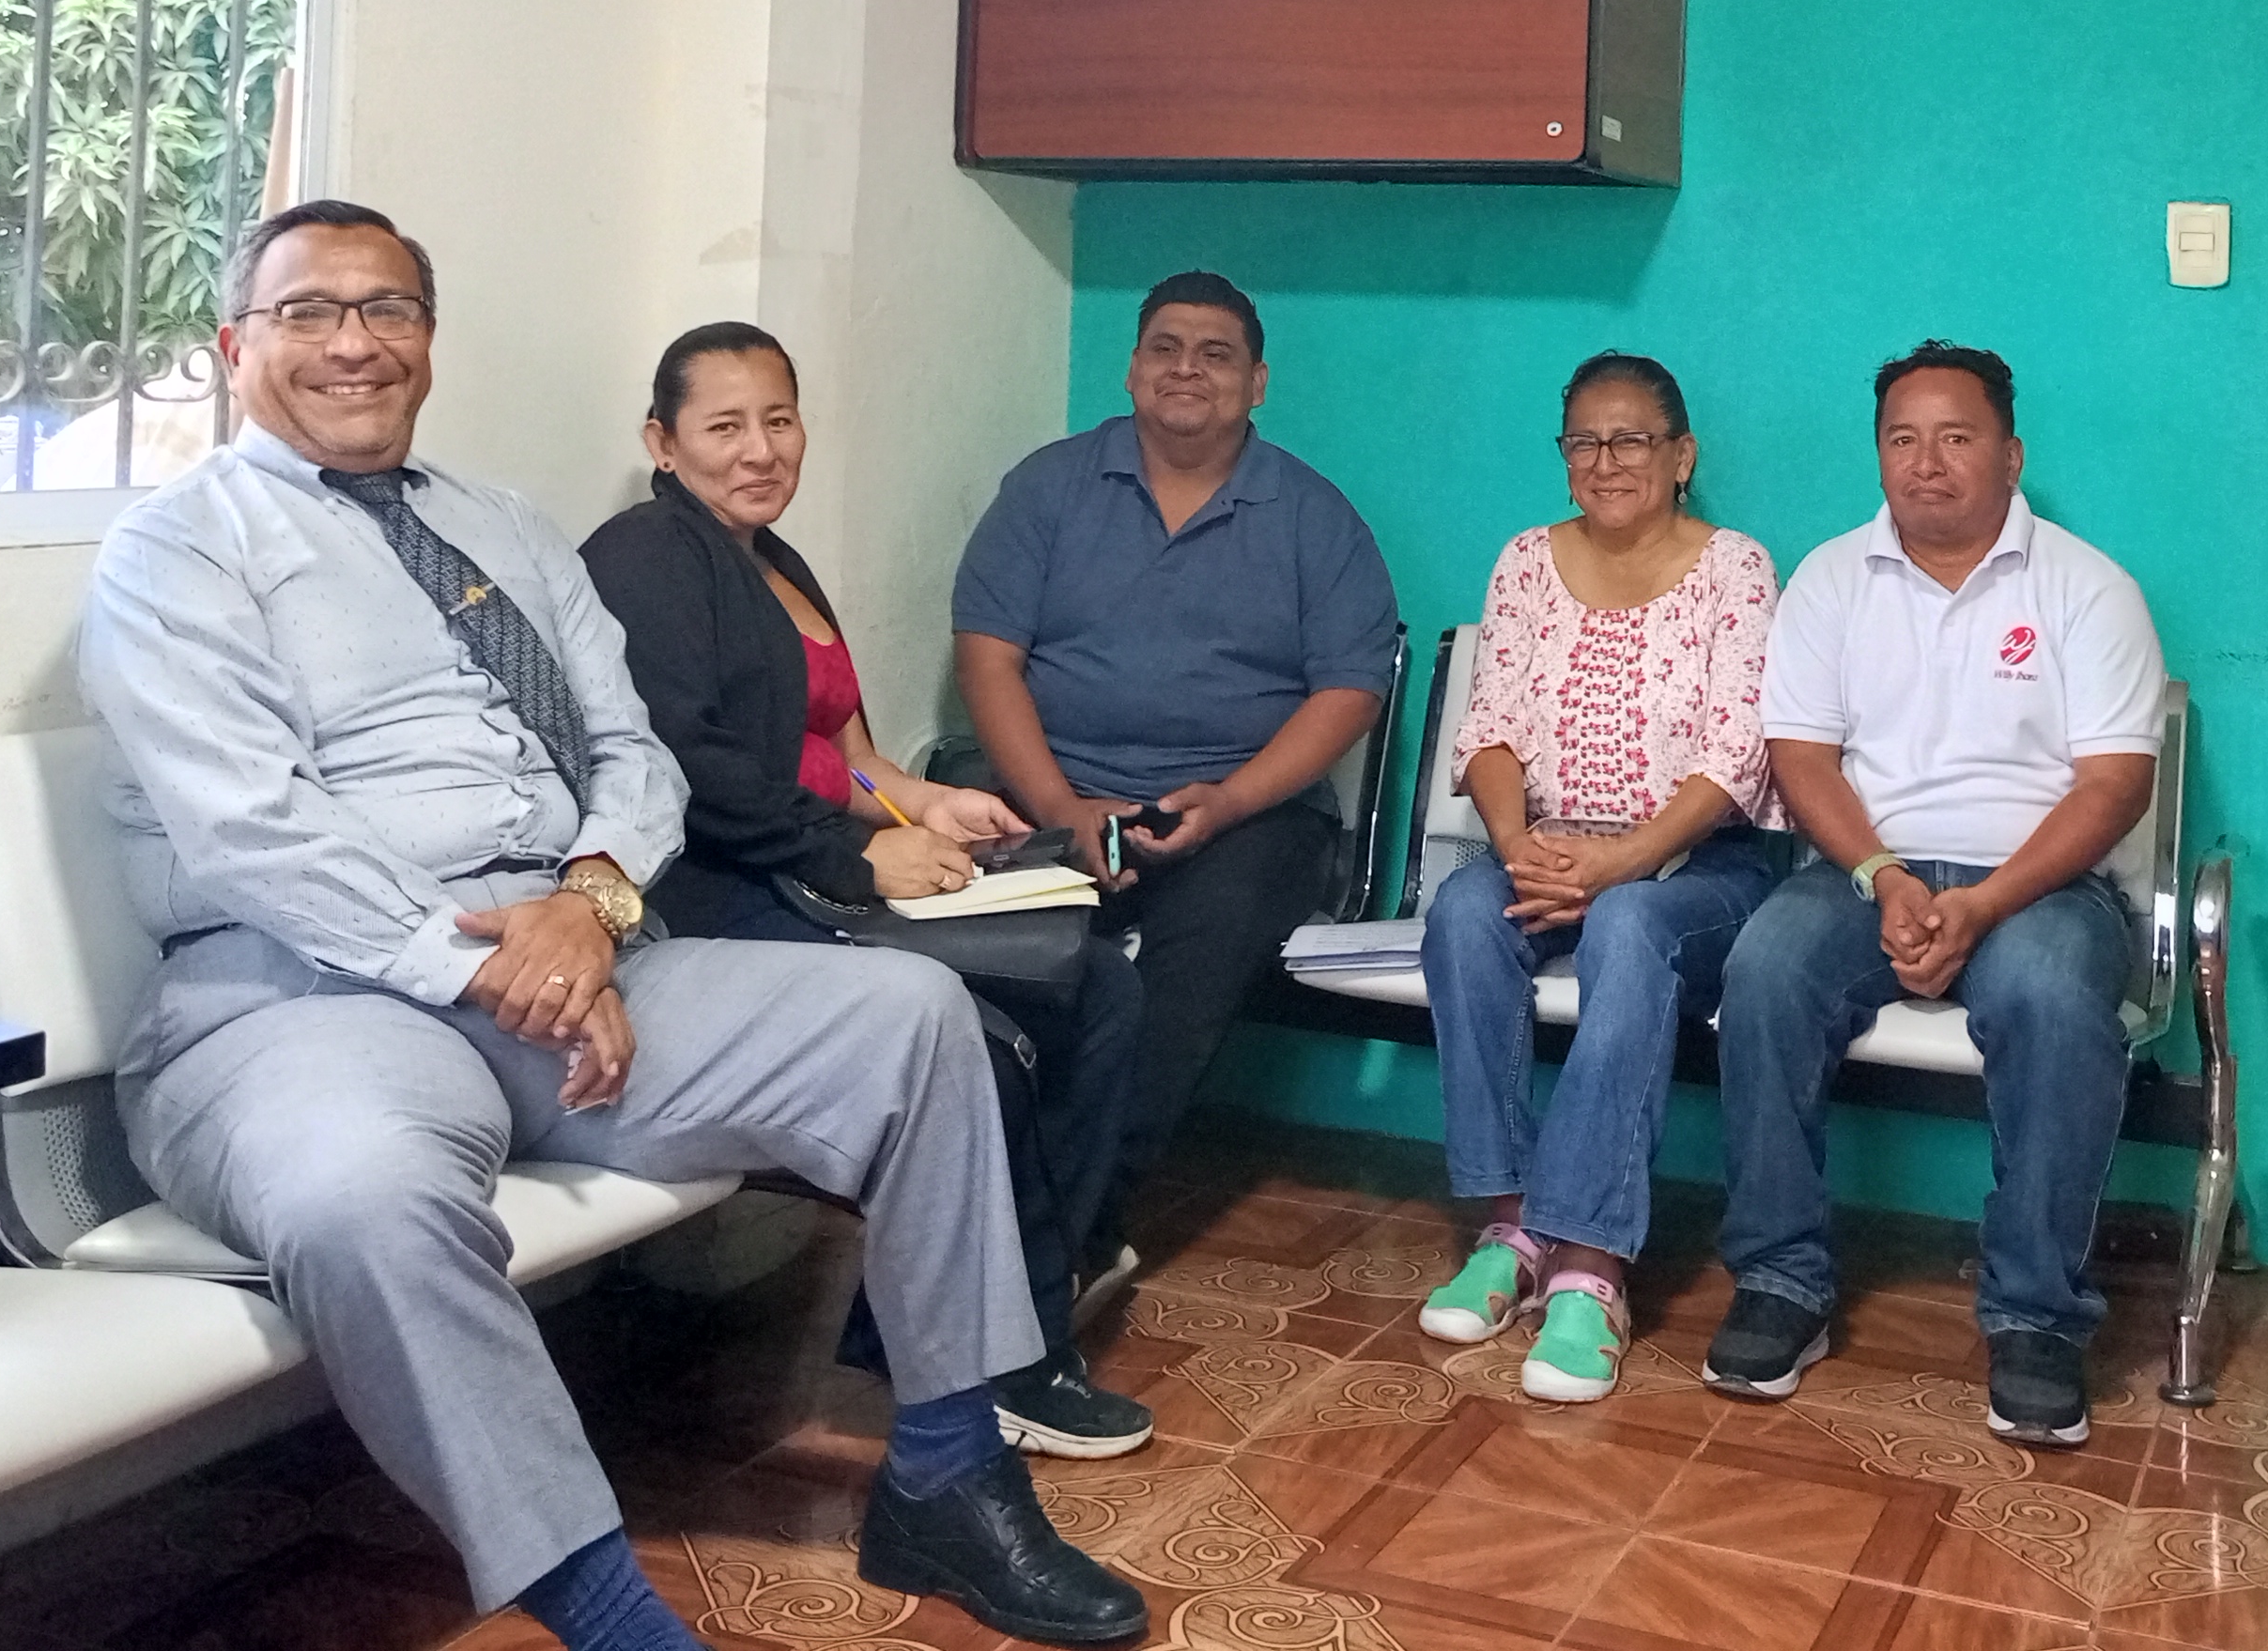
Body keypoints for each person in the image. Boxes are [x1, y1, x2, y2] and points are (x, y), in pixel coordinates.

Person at [84, 200, 1143, 1651]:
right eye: (307, 312)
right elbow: (253, 831)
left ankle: (951, 1478)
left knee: (913, 1020)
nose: (353, 343)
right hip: (305, 999)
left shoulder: (506, 526)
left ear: (429, 339)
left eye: (387, 309)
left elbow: (632, 750)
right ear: (233, 346)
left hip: (574, 967)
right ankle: (603, 1610)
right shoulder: (178, 549)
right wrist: (496, 962)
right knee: (361, 1201)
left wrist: (588, 909)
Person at [580, 322, 1151, 1461]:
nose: (759, 449)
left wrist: (923, 807)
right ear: (661, 441)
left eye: (778, 420)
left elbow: (842, 753)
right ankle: (987, 1359)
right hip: (721, 888)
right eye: (724, 426)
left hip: (808, 861)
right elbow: (684, 763)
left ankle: (997, 1308)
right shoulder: (644, 556)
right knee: (982, 1038)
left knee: (1101, 989)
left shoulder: (775, 560)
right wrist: (853, 859)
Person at [1703, 341, 2166, 1446]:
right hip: (1866, 870)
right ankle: (1779, 1280)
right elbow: (1801, 758)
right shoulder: (1829, 580)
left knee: (2051, 999)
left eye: (1955, 437)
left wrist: (1984, 903)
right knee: (1764, 967)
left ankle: (2036, 1317)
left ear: (2010, 455)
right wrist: (1882, 875)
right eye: (1901, 439)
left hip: (2041, 884)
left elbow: (2113, 784)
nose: (1925, 463)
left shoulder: (2087, 587)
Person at [947, 270, 1398, 1230]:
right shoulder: (1047, 488)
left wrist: (1228, 801)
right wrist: (1061, 811)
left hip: (1247, 817)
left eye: (1215, 353)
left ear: (1257, 383)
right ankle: (968, 1193)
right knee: (977, 939)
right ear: (1131, 369)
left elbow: (1351, 692)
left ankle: (1066, 1230)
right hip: (1050, 792)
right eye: (1166, 347)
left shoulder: (1313, 515)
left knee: (1189, 968)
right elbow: (987, 660)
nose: (1186, 368)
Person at [1413, 352, 1782, 1402]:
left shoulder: (1736, 569)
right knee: (1462, 915)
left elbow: (1738, 755)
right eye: (1584, 441)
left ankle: (1590, 1263)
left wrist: (1622, 863)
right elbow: (1488, 729)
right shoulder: (1527, 561)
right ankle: (1512, 1227)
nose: (1606, 461)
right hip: (1548, 848)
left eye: (1631, 440)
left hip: (1699, 868)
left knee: (1628, 928)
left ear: (1681, 456)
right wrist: (1516, 844)